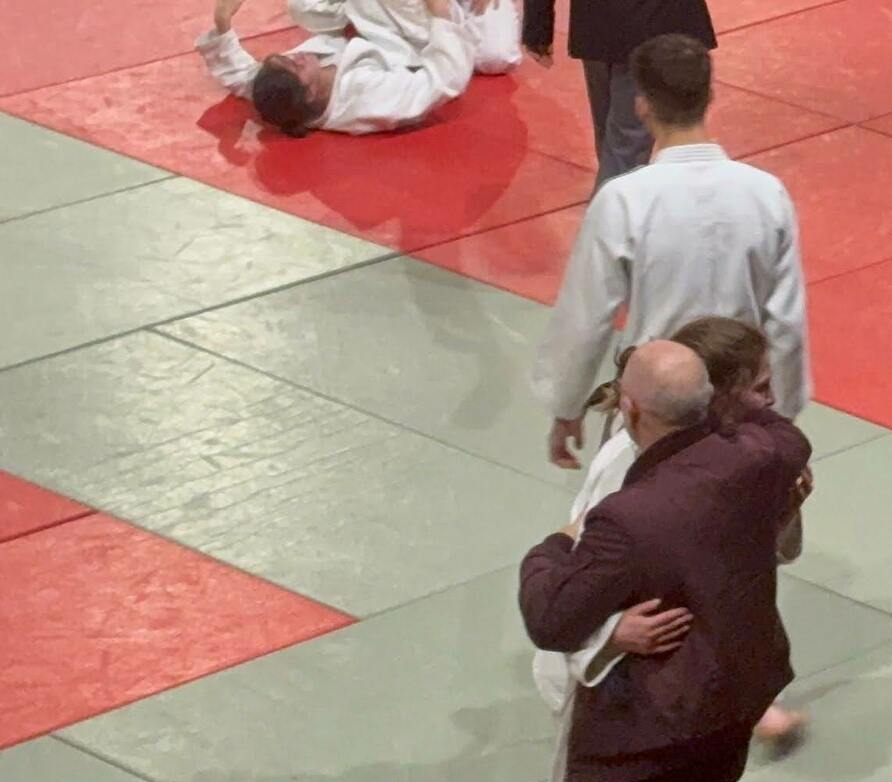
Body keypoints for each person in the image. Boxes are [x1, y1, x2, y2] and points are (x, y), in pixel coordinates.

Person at [530, 317, 813, 782]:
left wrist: (778, 516)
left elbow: (722, 556)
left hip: (685, 699)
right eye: (760, 388)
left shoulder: (734, 456)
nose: (771, 402)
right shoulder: (633, 467)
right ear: (719, 396)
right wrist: (612, 633)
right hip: (629, 686)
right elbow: (585, 588)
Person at [531, 34, 809, 471]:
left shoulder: (625, 199)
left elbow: (586, 316)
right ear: (710, 96)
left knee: (645, 506)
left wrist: (566, 405)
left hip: (656, 408)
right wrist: (783, 415)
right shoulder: (765, 193)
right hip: (740, 411)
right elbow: (786, 320)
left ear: (642, 106)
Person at [198, 0, 524, 136]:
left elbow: (243, 78)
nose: (297, 56)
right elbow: (442, 82)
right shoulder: (367, 98)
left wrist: (222, 21)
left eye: (285, 57)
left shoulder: (289, 97)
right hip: (406, 36)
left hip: (378, 27)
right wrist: (440, 11)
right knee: (497, 56)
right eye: (295, 65)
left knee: (302, 6)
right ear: (310, 91)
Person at [523, 0, 714, 190]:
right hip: (653, 24)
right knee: (625, 146)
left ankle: (612, 198)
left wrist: (537, 25)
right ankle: (611, 204)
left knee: (612, 138)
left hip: (596, 23)